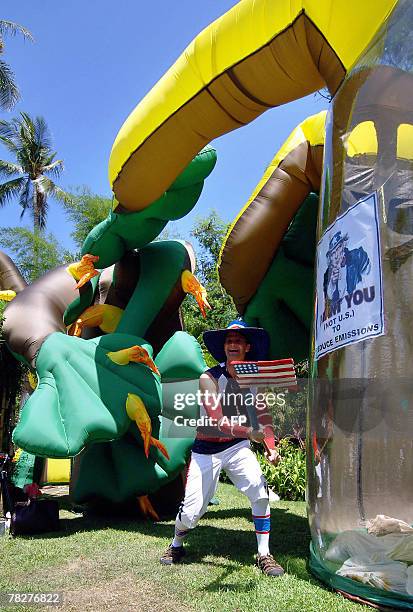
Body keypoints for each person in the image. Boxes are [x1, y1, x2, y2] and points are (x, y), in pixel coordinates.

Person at [160, 319, 284, 577]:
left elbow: (262, 413)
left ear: (247, 346)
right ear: (224, 347)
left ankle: (264, 554)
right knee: (192, 513)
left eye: (238, 340)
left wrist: (271, 447)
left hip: (237, 447)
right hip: (206, 449)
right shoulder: (209, 378)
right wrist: (250, 432)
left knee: (259, 492)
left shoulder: (253, 378)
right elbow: (216, 421)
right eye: (229, 340)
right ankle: (176, 544)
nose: (233, 344)